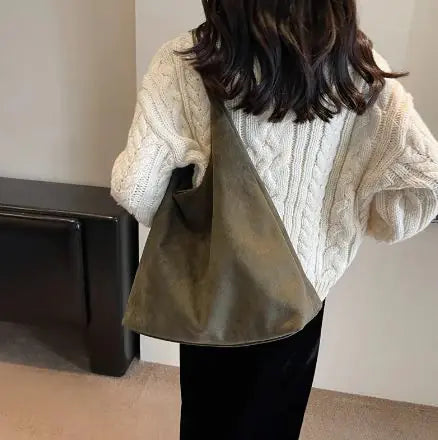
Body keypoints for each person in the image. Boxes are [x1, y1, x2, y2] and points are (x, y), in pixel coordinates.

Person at [111, 1, 438, 439]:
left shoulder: (187, 63)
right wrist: (353, 220)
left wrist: (193, 221)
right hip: (302, 296)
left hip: (217, 288)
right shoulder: (359, 72)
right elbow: (421, 187)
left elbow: (134, 188)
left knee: (209, 422)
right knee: (276, 423)